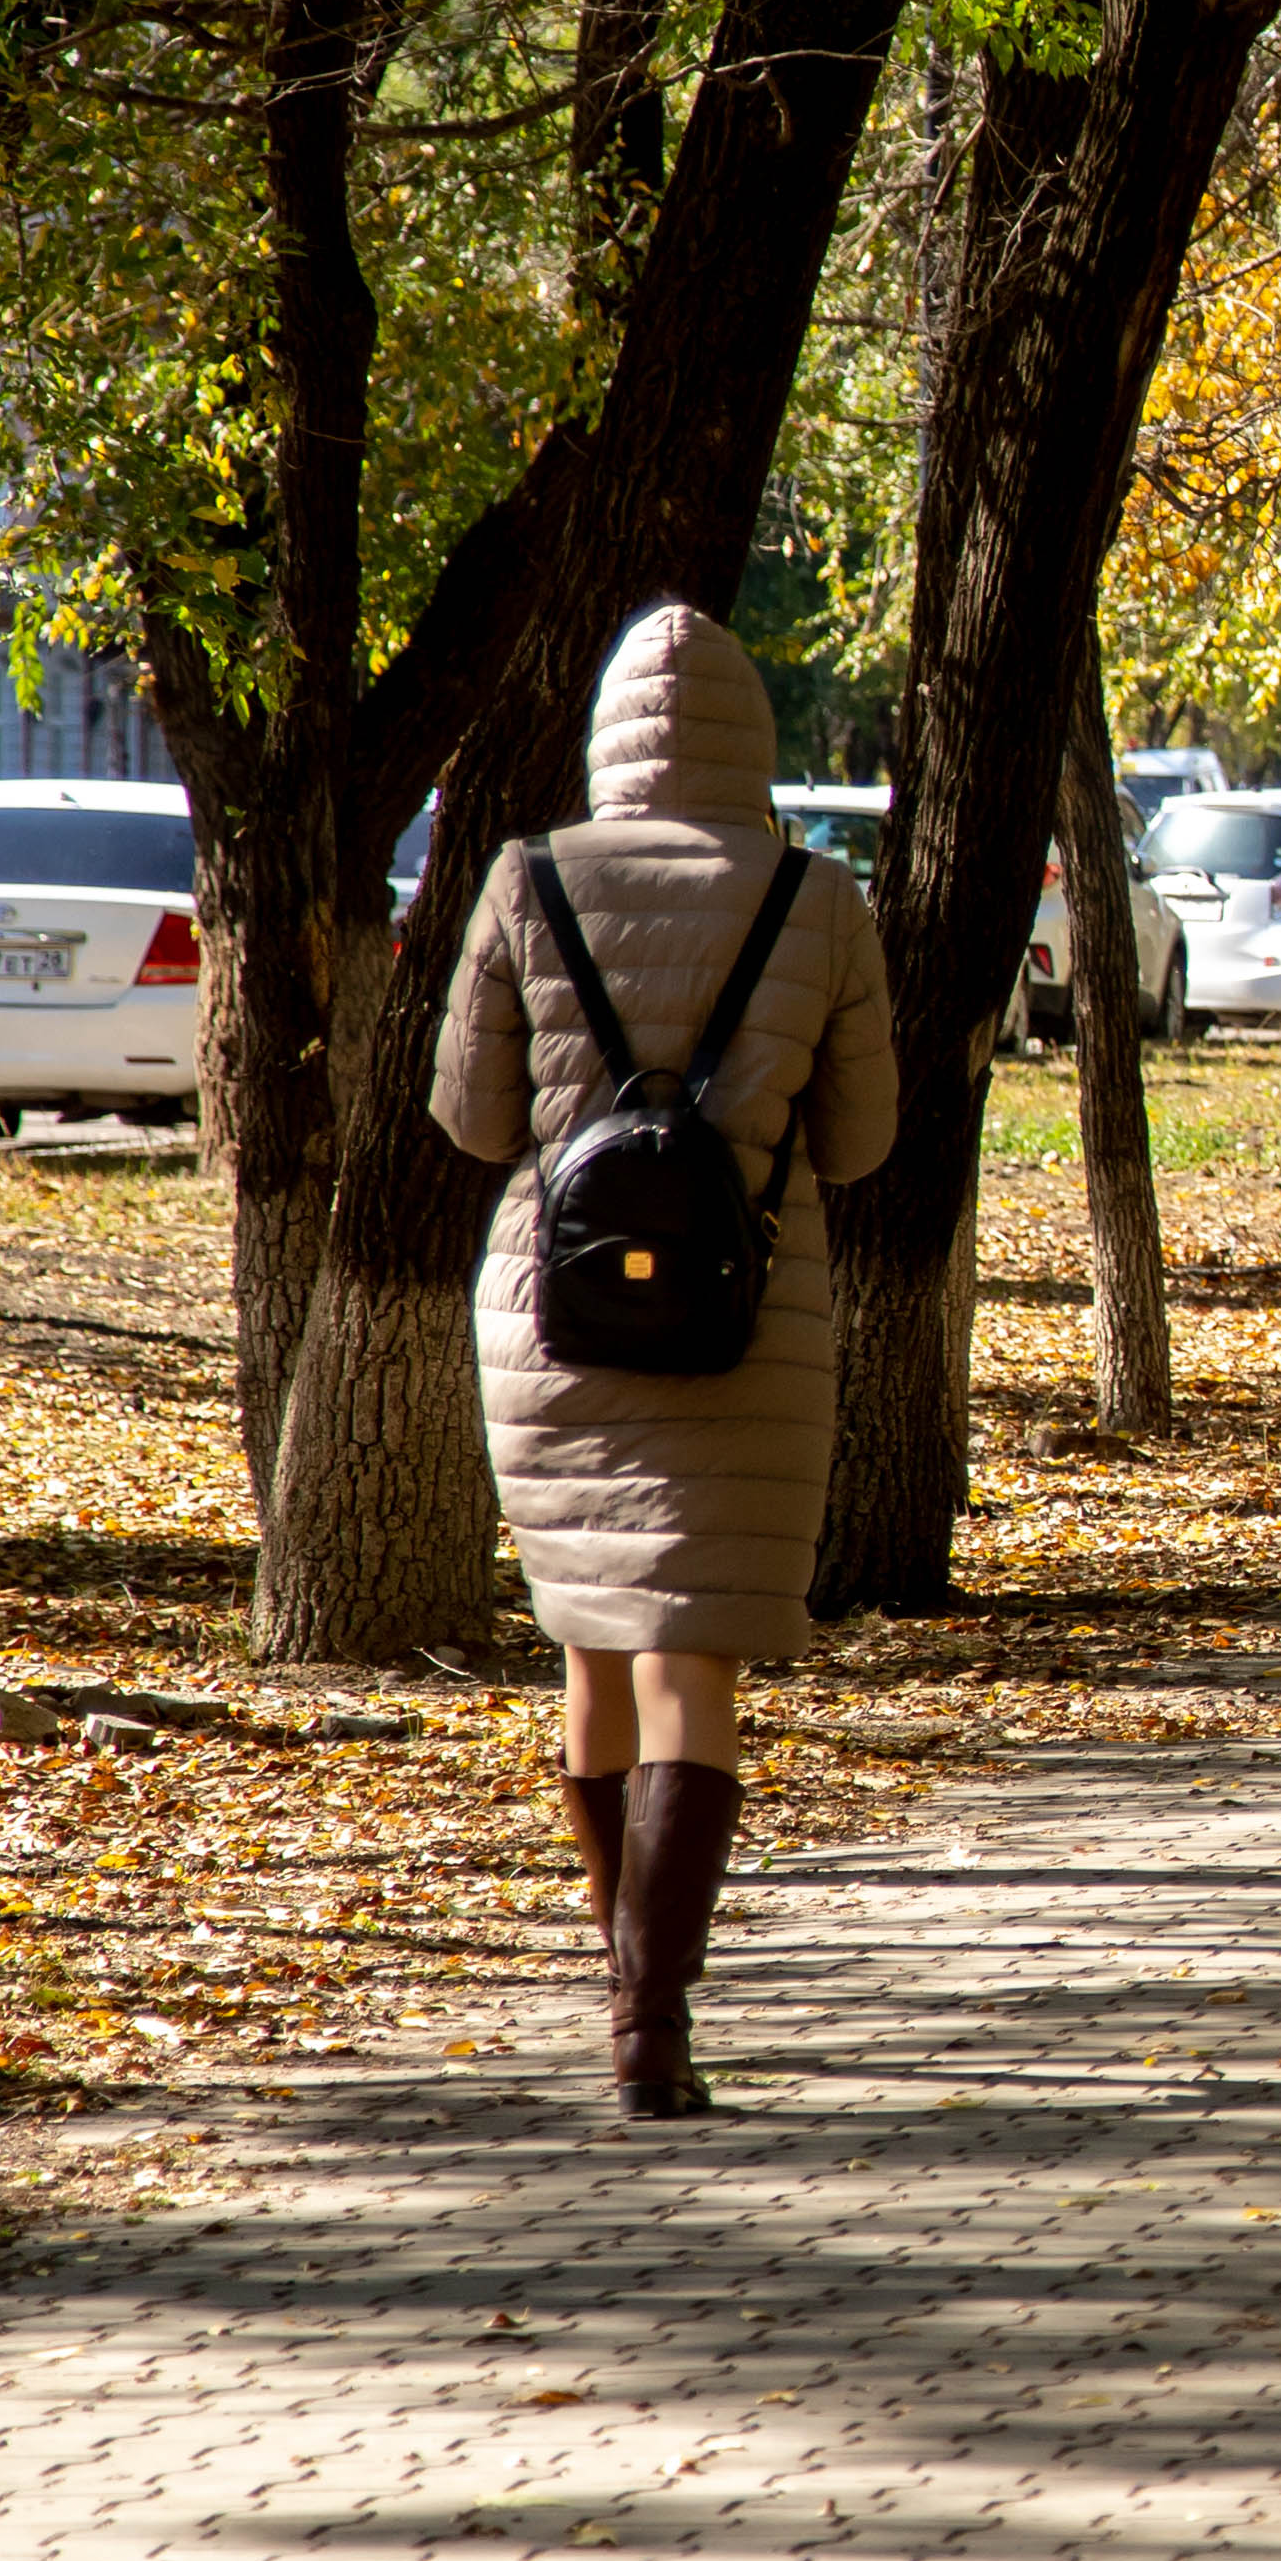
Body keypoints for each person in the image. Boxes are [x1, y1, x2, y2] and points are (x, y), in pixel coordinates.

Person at [429, 604, 899, 2118]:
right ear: (750, 741)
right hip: (745, 1317)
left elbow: (472, 1120)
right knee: (693, 1660)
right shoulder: (819, 898)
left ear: (609, 741)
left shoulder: (526, 880)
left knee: (592, 1656)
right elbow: (865, 1140)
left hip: (554, 1323)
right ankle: (654, 2021)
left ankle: (625, 1995)